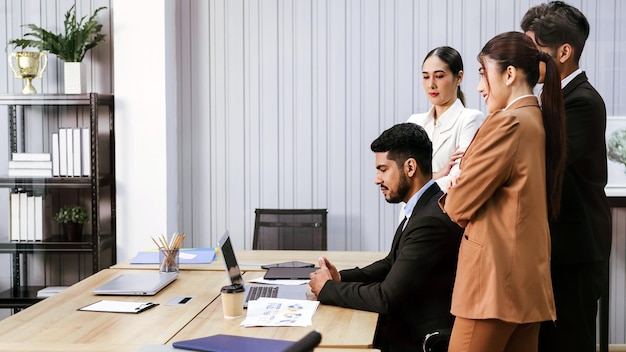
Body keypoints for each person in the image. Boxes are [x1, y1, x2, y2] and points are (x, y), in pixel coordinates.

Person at [439, 31, 567, 352]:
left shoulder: (506, 123)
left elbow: (457, 206)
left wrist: (458, 181)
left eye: (483, 73)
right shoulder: (536, 119)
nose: (480, 87)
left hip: (492, 284)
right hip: (526, 284)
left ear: (509, 74)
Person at [308, 122, 463, 352]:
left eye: (383, 169)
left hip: (412, 340)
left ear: (410, 168)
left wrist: (329, 289)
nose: (377, 179)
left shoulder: (430, 221)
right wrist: (340, 278)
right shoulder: (423, 207)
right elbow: (390, 264)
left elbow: (386, 298)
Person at [521, 2, 612, 351]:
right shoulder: (553, 95)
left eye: (534, 50)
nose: (527, 60)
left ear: (563, 51)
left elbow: (542, 163)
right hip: (556, 246)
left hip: (576, 250)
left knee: (570, 341)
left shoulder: (583, 101)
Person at [407, 46, 484, 192]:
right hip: (409, 214)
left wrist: (421, 181)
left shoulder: (470, 119)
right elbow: (402, 177)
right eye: (425, 76)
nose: (431, 85)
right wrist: (440, 174)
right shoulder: (414, 122)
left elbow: (457, 179)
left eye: (439, 76)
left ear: (459, 77)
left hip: (442, 212)